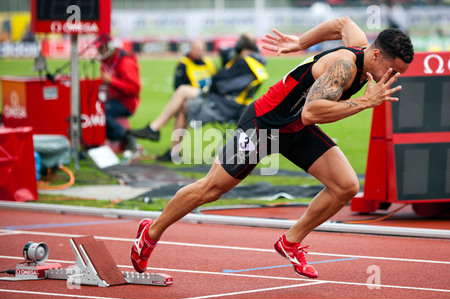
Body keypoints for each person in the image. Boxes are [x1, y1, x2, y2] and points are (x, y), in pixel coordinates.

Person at [130, 16, 414, 279]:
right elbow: (312, 112)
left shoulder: (362, 50)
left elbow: (342, 23)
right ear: (376, 54)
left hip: (294, 130)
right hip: (263, 125)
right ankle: (150, 233)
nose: (391, 77)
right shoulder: (345, 66)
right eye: (392, 70)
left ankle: (290, 242)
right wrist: (365, 101)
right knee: (212, 189)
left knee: (346, 186)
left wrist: (300, 43)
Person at [128, 33, 268, 161]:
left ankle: (155, 130)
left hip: (223, 107)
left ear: (239, 47)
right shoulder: (256, 64)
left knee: (182, 93)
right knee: (182, 103)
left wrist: (209, 87)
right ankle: (173, 152)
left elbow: (219, 82)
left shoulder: (243, 63)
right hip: (236, 106)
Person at [95, 34, 141, 152]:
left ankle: (126, 137)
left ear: (108, 47)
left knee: (100, 113)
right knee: (93, 109)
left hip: (127, 103)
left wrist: (112, 81)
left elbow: (134, 89)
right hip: (113, 100)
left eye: (101, 48)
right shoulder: (106, 62)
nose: (98, 51)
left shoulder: (125, 62)